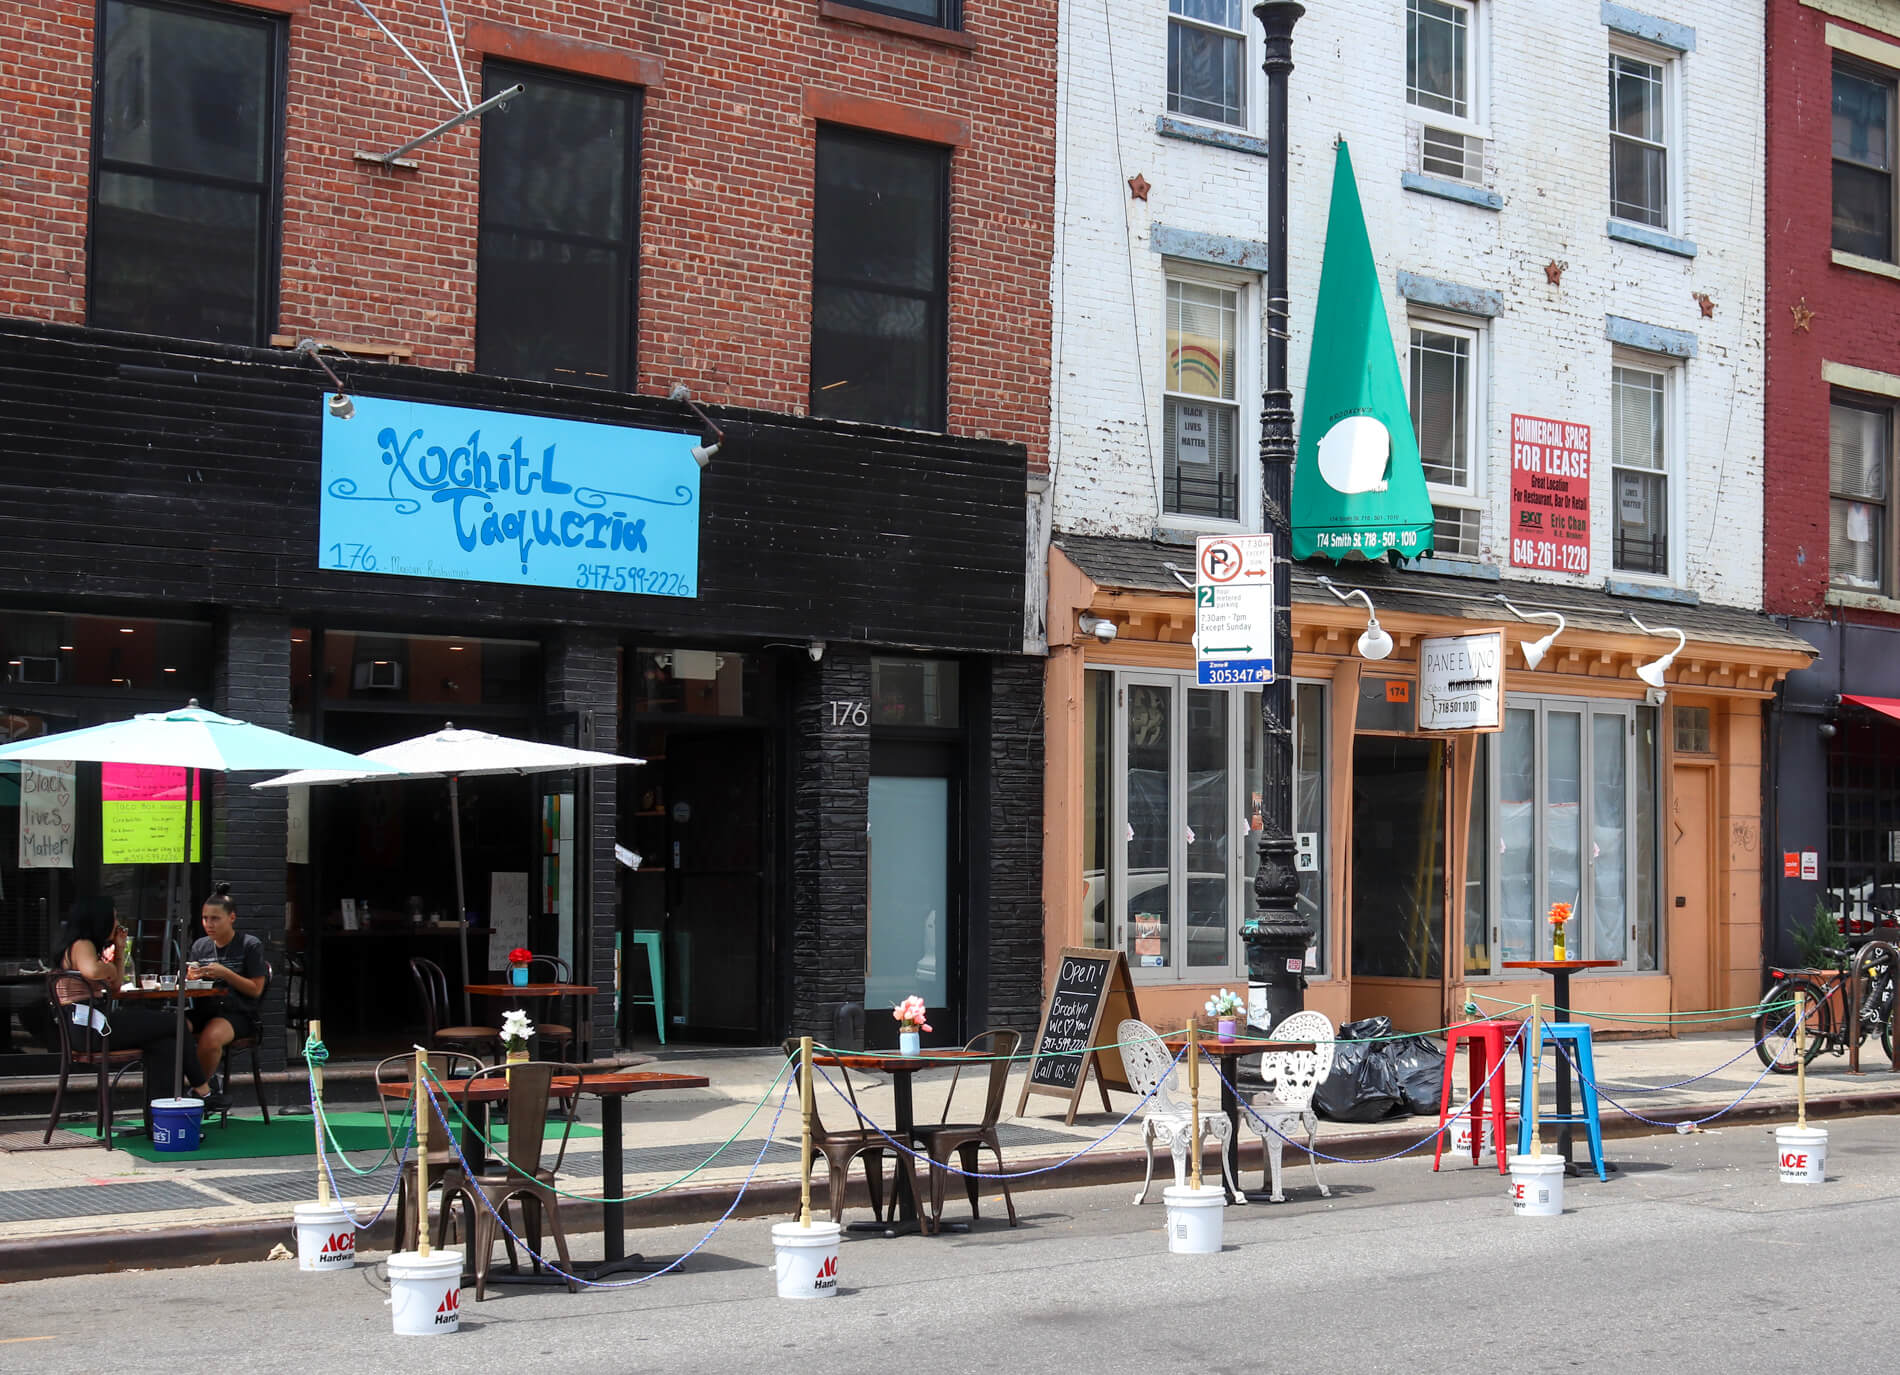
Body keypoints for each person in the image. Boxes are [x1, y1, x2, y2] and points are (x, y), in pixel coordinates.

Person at [50, 897, 213, 1128]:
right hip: (91, 1028)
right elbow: (93, 970)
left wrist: (118, 949)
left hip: (92, 1027)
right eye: (114, 918)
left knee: (166, 1045)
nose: (117, 923)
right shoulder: (81, 943)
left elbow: (115, 986)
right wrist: (105, 966)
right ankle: (204, 1089)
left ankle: (158, 1124)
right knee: (175, 1021)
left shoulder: (88, 946)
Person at [187, 882, 268, 1112]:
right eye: (204, 918)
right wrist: (191, 977)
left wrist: (226, 973)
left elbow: (255, 989)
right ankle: (198, 1085)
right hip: (205, 1008)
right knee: (172, 1028)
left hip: (238, 1011)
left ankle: (198, 1094)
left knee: (211, 1037)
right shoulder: (200, 946)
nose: (208, 924)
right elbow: (191, 984)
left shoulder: (249, 945)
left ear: (231, 918)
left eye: (215, 918)